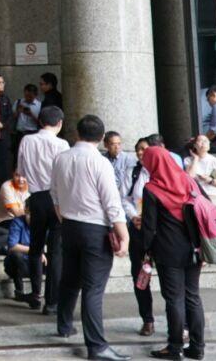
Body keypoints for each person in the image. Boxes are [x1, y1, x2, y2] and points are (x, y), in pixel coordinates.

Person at [51, 114, 130, 361]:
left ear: (77, 133)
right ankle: (97, 346)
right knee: (93, 289)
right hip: (94, 229)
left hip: (69, 226)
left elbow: (54, 194)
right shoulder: (100, 162)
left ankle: (64, 325)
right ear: (102, 137)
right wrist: (123, 233)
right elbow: (112, 202)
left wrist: (65, 219)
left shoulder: (61, 158)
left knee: (70, 279)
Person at [140, 145, 205, 361]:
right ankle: (197, 347)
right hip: (194, 248)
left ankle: (175, 348)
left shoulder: (151, 189)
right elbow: (204, 207)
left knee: (174, 299)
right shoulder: (188, 180)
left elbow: (149, 226)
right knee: (193, 297)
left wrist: (146, 250)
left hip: (168, 251)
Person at [18, 103, 68, 313]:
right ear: (59, 123)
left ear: (39, 121)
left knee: (35, 247)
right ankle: (52, 302)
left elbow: (20, 171)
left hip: (36, 197)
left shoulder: (26, 140)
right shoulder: (62, 144)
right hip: (57, 199)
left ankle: (35, 294)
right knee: (55, 251)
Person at [122, 136, 156, 335]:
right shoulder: (133, 173)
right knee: (140, 275)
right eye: (138, 150)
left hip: (160, 232)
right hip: (138, 230)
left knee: (170, 278)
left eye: (144, 148)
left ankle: (180, 323)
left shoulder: (162, 172)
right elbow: (125, 198)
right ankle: (147, 319)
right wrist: (134, 216)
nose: (140, 153)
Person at [185, 133, 216, 215]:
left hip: (215, 196)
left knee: (209, 213)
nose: (204, 142)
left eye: (206, 141)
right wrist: (196, 159)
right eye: (201, 141)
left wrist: (210, 180)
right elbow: (190, 177)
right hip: (197, 196)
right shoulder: (189, 160)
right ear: (195, 145)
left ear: (209, 144)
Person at [2, 212, 34, 302]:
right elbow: (12, 246)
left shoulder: (41, 223)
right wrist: (35, 251)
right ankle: (19, 291)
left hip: (32, 263)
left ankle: (39, 295)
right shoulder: (17, 222)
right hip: (16, 264)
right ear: (26, 211)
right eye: (30, 214)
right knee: (16, 256)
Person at [103, 131, 137, 195]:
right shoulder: (102, 159)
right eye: (113, 144)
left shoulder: (129, 159)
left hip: (124, 195)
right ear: (105, 145)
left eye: (119, 144)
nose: (117, 147)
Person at [13, 82, 41, 155]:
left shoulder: (39, 105)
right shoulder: (18, 102)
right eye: (26, 96)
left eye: (30, 96)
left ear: (35, 95)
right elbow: (12, 118)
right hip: (20, 133)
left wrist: (31, 114)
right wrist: (18, 111)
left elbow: (41, 122)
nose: (27, 98)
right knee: (18, 154)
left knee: (31, 154)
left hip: (33, 133)